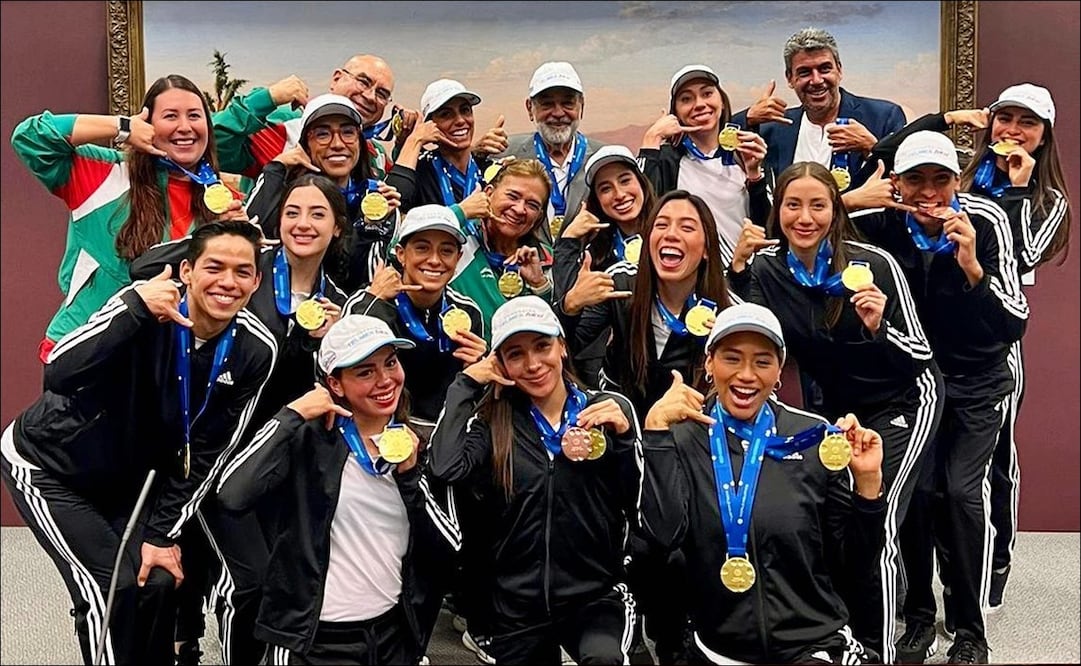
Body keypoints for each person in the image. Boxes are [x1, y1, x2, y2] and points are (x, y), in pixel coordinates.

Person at [0, 220, 276, 665]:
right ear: (187, 270)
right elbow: (59, 372)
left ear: (256, 280)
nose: (228, 282)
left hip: (130, 481)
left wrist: (161, 533)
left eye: (243, 271)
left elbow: (207, 453)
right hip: (50, 466)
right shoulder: (142, 311)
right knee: (111, 588)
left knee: (159, 580)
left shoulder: (254, 348)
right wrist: (132, 307)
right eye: (214, 267)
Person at [850, 83, 1071, 615]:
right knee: (931, 490)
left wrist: (1015, 193)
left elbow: (1018, 262)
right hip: (928, 361)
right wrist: (945, 117)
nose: (1012, 131)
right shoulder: (959, 178)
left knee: (982, 477)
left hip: (990, 351)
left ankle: (990, 573)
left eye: (1028, 123)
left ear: (1045, 137)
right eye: (1005, 119)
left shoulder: (1044, 198)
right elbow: (886, 156)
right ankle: (933, 595)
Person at [728, 161, 945, 661]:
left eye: (818, 205)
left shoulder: (873, 265)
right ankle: (845, 632)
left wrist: (877, 326)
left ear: (836, 211)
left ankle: (878, 650)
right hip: (837, 410)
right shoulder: (768, 269)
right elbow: (751, 330)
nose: (805, 217)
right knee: (836, 522)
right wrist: (736, 270)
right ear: (777, 209)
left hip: (904, 398)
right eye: (793, 204)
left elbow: (919, 353)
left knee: (881, 516)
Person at [133, 174, 353, 664]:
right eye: (293, 211)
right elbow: (142, 267)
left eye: (319, 214)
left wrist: (334, 344)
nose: (303, 223)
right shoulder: (245, 271)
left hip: (284, 454)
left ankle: (197, 639)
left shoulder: (341, 299)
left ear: (338, 227)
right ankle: (191, 640)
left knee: (267, 574)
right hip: (218, 451)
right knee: (242, 578)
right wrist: (214, 232)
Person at [848, 131, 1028, 664]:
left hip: (978, 384)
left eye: (941, 179)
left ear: (957, 182)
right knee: (918, 496)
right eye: (916, 179)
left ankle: (971, 630)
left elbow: (1014, 322)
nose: (929, 192)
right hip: (913, 386)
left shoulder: (987, 221)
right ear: (897, 183)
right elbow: (798, 222)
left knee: (959, 494)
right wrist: (854, 200)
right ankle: (919, 619)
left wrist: (972, 264)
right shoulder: (879, 226)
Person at [640, 302, 886, 664]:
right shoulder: (682, 438)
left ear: (779, 372)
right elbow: (663, 536)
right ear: (709, 363)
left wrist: (867, 486)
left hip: (809, 646)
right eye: (732, 358)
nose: (746, 375)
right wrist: (656, 434)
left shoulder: (812, 437)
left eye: (762, 361)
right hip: (717, 650)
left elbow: (854, 565)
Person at [216, 314, 459, 665]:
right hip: (314, 640)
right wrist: (291, 415)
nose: (384, 380)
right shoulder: (307, 441)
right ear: (336, 383)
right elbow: (231, 494)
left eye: (390, 362)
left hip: (391, 636)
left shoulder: (417, 444)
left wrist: (409, 478)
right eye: (364, 372)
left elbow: (447, 547)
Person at [429, 296, 640, 665]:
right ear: (501, 365)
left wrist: (623, 443)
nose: (532, 364)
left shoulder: (607, 411)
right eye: (515, 354)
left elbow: (641, 504)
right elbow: (446, 468)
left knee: (605, 660)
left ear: (562, 345)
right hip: (516, 606)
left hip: (594, 598)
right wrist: (464, 385)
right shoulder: (493, 423)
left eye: (542, 346)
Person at [11, 74, 247, 362]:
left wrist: (233, 240)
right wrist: (121, 127)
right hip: (87, 353)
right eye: (171, 116)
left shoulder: (224, 201)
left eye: (195, 116)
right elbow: (30, 138)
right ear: (147, 126)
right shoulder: (103, 172)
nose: (185, 127)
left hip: (167, 365)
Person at [559, 189, 731, 415]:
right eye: (661, 225)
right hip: (619, 423)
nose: (671, 234)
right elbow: (565, 349)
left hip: (685, 428)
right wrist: (569, 307)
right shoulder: (620, 283)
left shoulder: (726, 313)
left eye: (687, 227)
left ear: (707, 249)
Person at [344, 204, 487, 437]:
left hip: (444, 433)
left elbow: (473, 393)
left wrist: (478, 368)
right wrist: (375, 300)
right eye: (422, 248)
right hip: (380, 431)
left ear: (459, 258)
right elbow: (347, 368)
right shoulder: (370, 301)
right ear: (401, 254)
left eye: (446, 251)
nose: (434, 260)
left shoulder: (468, 312)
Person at [243, 93, 401, 293]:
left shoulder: (379, 201)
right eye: (323, 134)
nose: (337, 143)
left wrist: (370, 229)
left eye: (348, 132)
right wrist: (276, 168)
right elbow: (248, 238)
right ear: (306, 144)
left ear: (360, 142)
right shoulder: (285, 191)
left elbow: (367, 283)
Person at [731, 27, 907, 193]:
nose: (816, 80)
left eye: (824, 69)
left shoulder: (884, 117)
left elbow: (907, 180)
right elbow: (715, 145)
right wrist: (748, 117)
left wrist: (872, 147)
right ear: (790, 78)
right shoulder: (773, 129)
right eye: (805, 72)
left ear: (839, 70)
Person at [639, 64, 771, 261]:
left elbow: (769, 225)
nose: (699, 104)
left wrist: (755, 176)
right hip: (690, 276)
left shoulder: (747, 151)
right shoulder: (666, 160)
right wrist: (652, 139)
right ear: (675, 112)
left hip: (745, 273)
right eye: (686, 99)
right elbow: (642, 213)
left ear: (722, 101)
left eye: (707, 93)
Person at [213, 54, 409, 184]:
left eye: (382, 93)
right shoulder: (285, 127)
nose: (370, 96)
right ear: (336, 78)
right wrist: (266, 98)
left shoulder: (377, 155)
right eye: (363, 81)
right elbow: (213, 148)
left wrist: (404, 143)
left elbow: (402, 196)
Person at [551, 145, 657, 382]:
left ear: (641, 182)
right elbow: (573, 338)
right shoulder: (598, 259)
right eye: (605, 188)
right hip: (631, 376)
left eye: (625, 180)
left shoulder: (670, 231)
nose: (619, 194)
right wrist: (568, 241)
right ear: (597, 201)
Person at [492, 61, 606, 242]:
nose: (559, 113)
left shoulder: (604, 159)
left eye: (568, 103)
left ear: (581, 105)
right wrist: (476, 152)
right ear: (530, 108)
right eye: (547, 104)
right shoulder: (502, 154)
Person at [438, 158, 556, 324]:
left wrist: (539, 285)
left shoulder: (546, 259)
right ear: (488, 194)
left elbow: (554, 330)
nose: (520, 209)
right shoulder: (456, 240)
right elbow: (401, 248)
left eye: (532, 205)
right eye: (513, 196)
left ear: (539, 217)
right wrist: (461, 211)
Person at [385, 78, 494, 216]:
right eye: (446, 114)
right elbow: (389, 214)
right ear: (430, 125)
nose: (460, 120)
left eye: (465, 110)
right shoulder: (420, 172)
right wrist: (415, 139)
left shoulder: (489, 170)